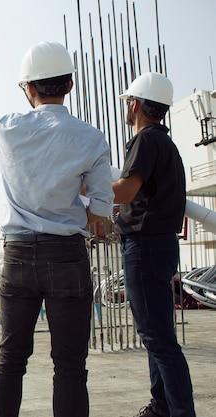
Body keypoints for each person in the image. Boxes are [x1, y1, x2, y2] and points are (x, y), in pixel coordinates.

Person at [0, 41, 113, 417]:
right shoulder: (91, 137)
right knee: (70, 366)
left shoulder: (7, 128)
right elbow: (101, 215)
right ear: (70, 85)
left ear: (28, 88)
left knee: (12, 357)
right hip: (67, 258)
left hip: (18, 257)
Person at [113, 72, 195, 417]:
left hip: (144, 249)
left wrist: (80, 186)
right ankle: (162, 407)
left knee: (160, 341)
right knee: (157, 336)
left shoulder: (146, 141)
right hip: (158, 247)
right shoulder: (167, 144)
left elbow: (126, 191)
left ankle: (178, 412)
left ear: (135, 104)